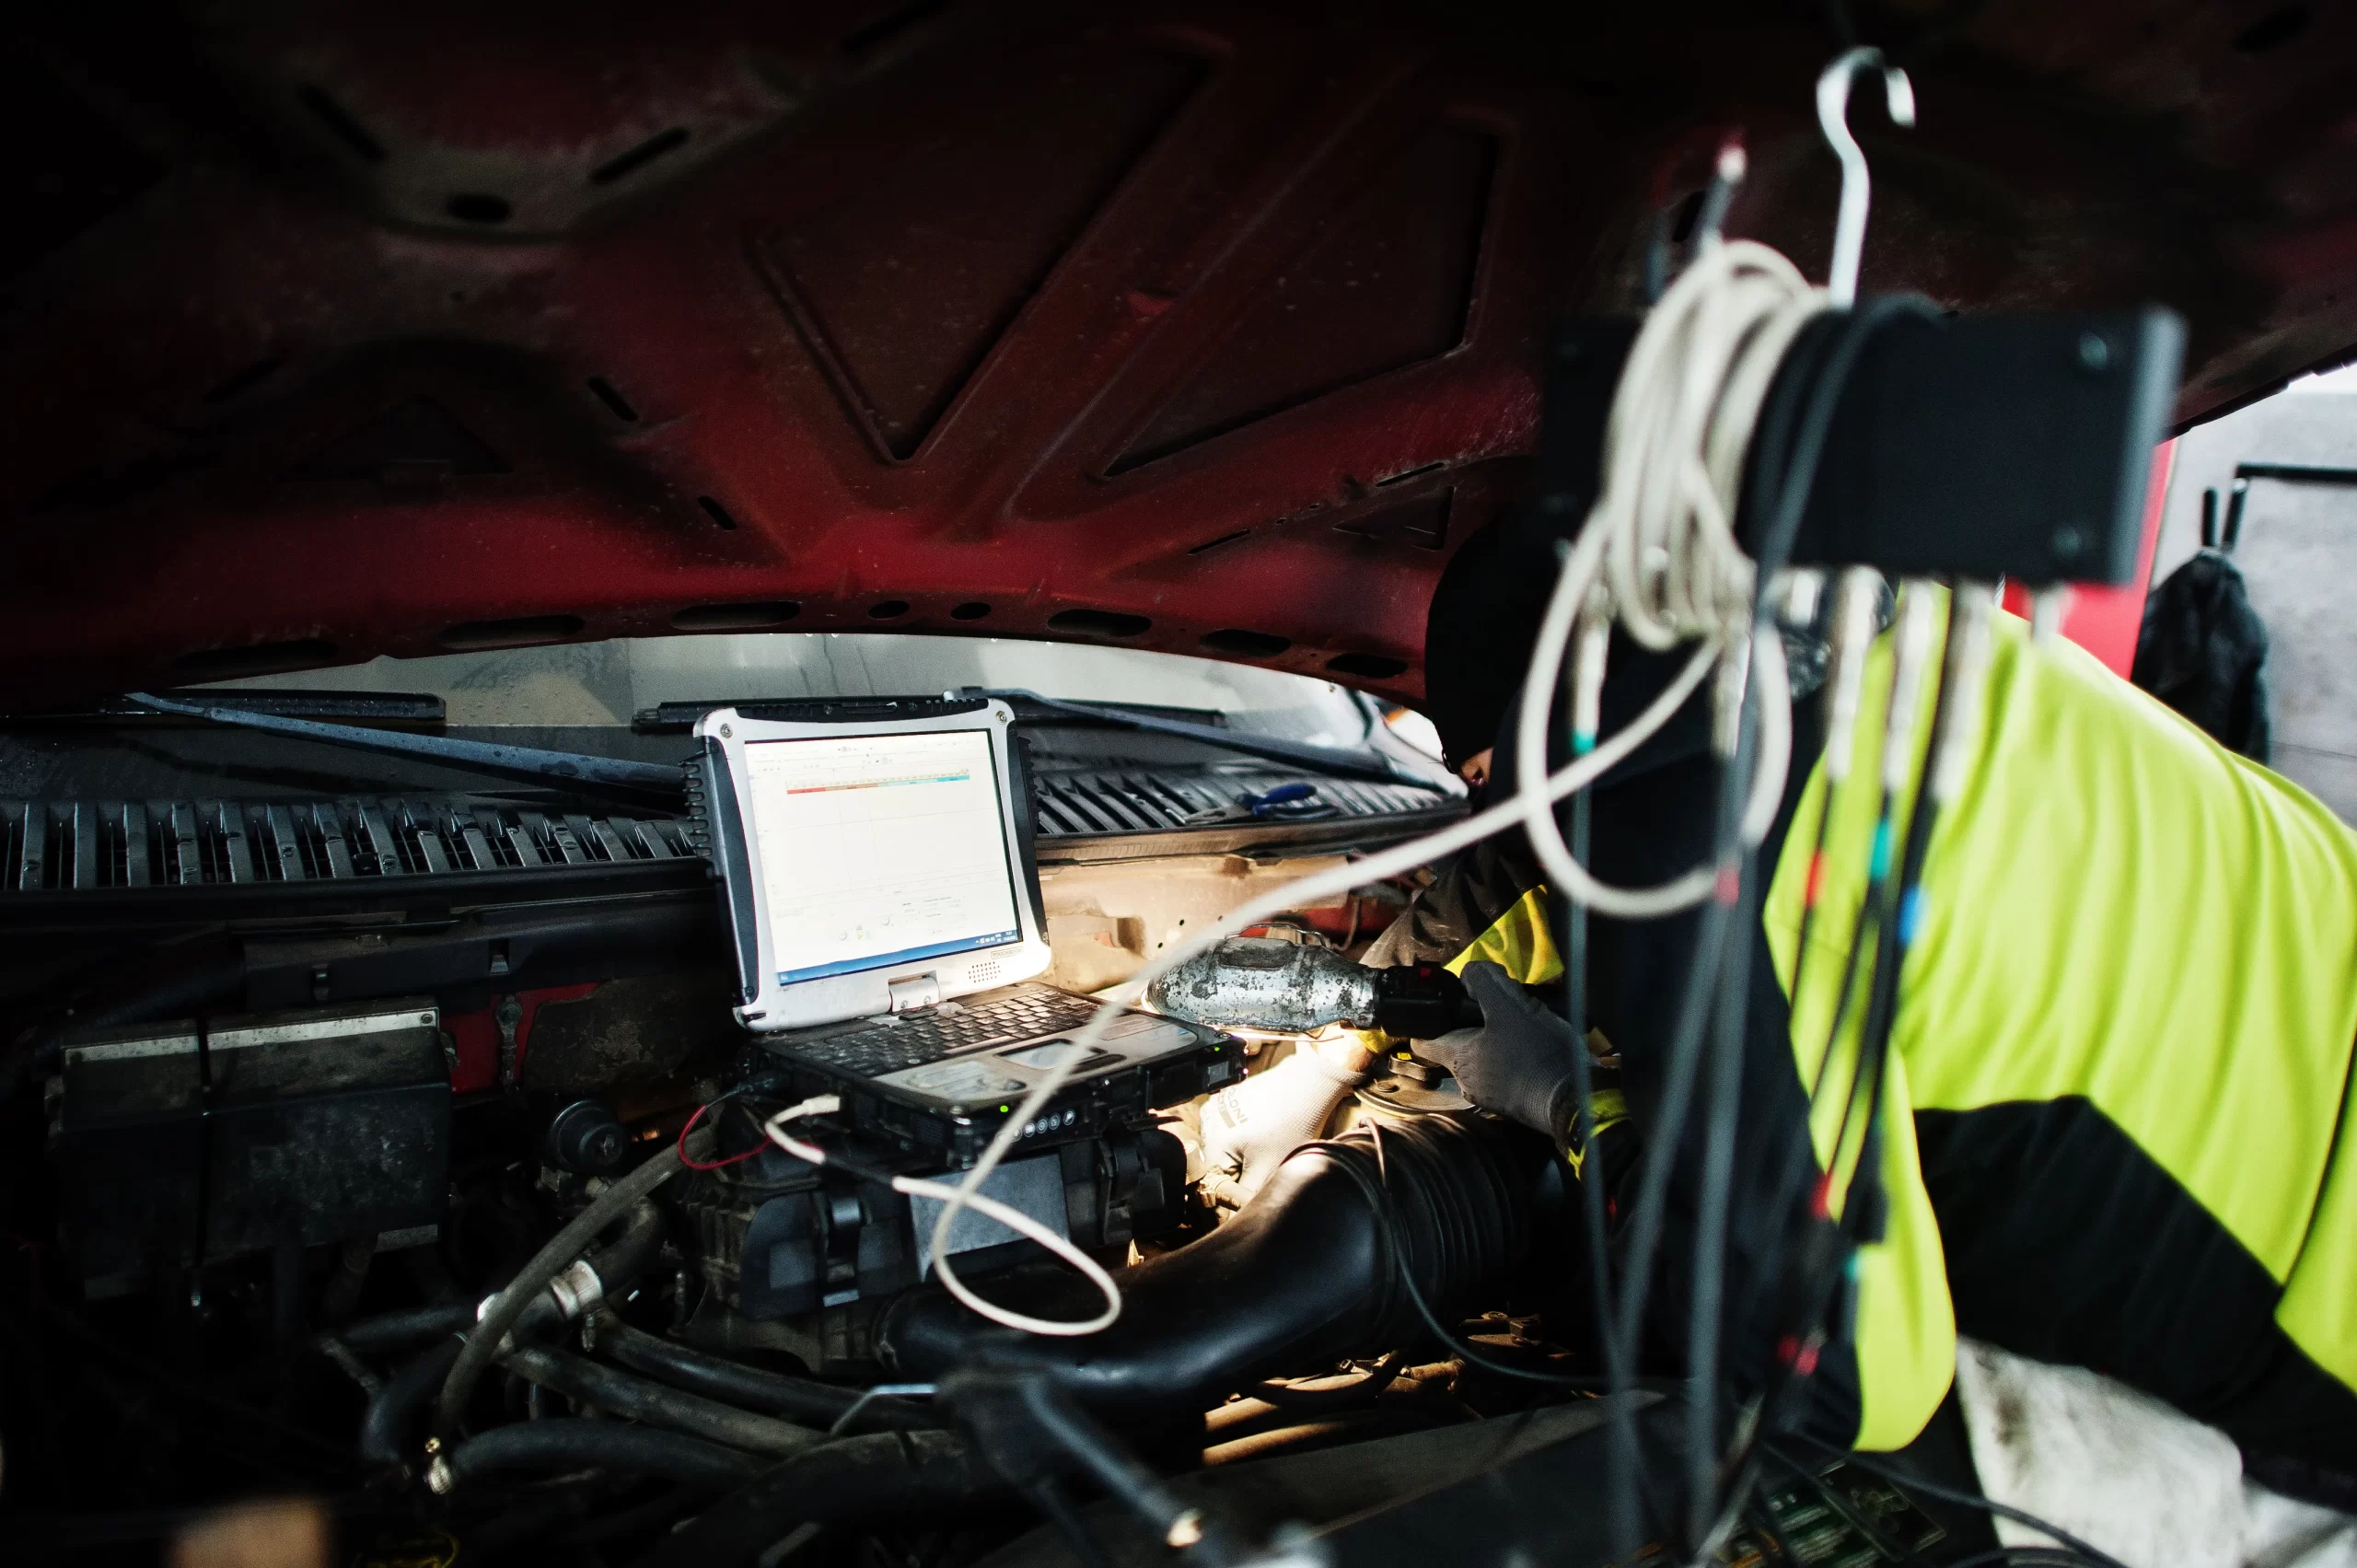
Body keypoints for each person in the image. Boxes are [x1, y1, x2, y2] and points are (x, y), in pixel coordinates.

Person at [1348, 505, 2357, 1511]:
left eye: (1497, 784)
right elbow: (1540, 873)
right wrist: (1388, 970)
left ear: (1562, 754)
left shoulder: (1740, 876)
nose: (1516, 821)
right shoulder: (1885, 637)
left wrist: (1569, 1105)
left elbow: (1851, 1375)